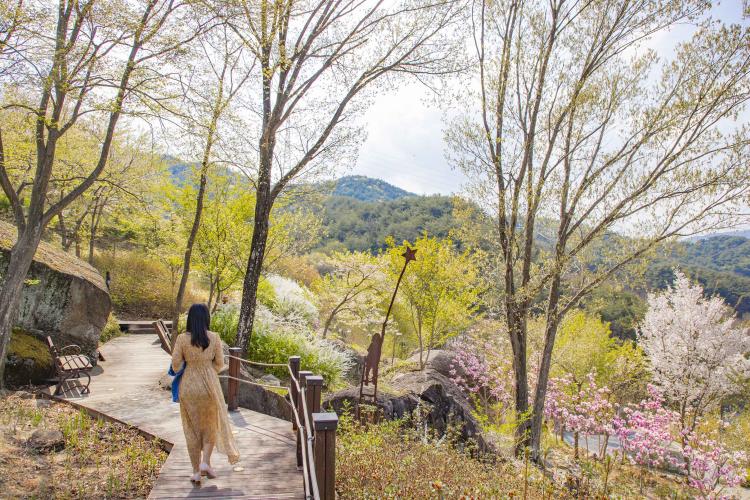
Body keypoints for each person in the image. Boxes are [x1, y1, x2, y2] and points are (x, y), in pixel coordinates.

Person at [171, 303, 240, 483]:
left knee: (191, 429)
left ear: (190, 319)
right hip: (209, 385)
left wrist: (189, 365)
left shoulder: (182, 339)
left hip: (188, 386)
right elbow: (220, 364)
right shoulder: (214, 337)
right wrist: (208, 370)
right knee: (211, 425)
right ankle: (205, 463)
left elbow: (175, 365)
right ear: (206, 318)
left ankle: (196, 471)